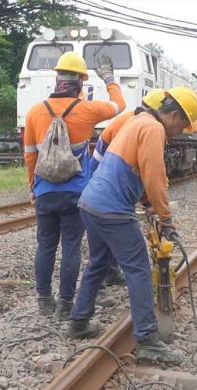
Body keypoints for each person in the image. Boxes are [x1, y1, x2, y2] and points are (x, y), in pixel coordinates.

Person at [69, 87, 197, 364]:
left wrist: (149, 206)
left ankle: (79, 322)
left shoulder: (137, 122)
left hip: (90, 203)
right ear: (174, 115)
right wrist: (166, 218)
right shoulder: (154, 129)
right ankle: (148, 339)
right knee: (138, 269)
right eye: (183, 125)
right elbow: (154, 177)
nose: (182, 131)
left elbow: (134, 169)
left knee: (98, 263)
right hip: (112, 209)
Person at [23, 51, 125, 320]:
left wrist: (32, 186)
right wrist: (109, 79)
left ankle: (44, 300)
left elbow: (30, 154)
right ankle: (65, 305)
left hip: (45, 191)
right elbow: (119, 105)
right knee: (71, 246)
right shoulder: (87, 110)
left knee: (45, 245)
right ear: (80, 82)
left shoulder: (35, 112)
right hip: (75, 192)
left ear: (57, 79)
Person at [90, 88, 167, 287]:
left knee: (109, 235)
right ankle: (103, 281)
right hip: (104, 186)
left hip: (102, 186)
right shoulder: (138, 125)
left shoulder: (133, 120)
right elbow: (137, 169)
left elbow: (136, 169)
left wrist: (148, 203)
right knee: (108, 239)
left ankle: (109, 274)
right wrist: (151, 204)